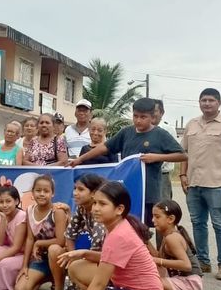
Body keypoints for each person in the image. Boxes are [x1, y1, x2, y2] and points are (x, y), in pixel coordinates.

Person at [62, 181, 162, 290]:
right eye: (95, 202)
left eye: (102, 204)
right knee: (76, 267)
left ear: (119, 209)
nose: (95, 208)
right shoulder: (118, 225)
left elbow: (99, 284)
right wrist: (84, 253)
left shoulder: (119, 235)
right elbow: (112, 258)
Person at [71, 98, 186, 228]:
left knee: (145, 228)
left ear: (152, 117)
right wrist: (80, 159)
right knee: (127, 226)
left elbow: (182, 155)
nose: (138, 120)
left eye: (143, 117)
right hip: (128, 190)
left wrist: (157, 157)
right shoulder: (126, 132)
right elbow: (105, 147)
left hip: (148, 193)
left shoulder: (160, 134)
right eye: (135, 116)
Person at [180, 88, 221, 280]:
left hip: (218, 184)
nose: (207, 103)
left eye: (211, 100)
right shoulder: (192, 124)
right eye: (203, 100)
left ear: (219, 103)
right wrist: (182, 174)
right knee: (198, 224)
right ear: (199, 102)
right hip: (193, 184)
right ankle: (203, 262)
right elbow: (184, 153)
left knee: (220, 224)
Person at [14, 175, 67, 290]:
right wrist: (25, 266)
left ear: (52, 193)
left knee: (54, 249)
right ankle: (49, 276)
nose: (42, 194)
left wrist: (39, 243)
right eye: (38, 190)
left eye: (46, 191)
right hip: (41, 259)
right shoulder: (29, 210)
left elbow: (61, 241)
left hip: (58, 257)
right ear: (32, 192)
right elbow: (30, 238)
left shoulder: (57, 212)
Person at [148, 200, 203, 290]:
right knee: (151, 278)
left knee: (149, 282)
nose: (153, 220)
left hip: (190, 285)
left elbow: (186, 265)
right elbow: (159, 257)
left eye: (157, 217)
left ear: (170, 219)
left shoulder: (173, 238)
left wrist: (156, 260)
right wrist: (146, 241)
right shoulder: (168, 235)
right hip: (186, 282)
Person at [54, 174, 107, 290]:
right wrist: (72, 256)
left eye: (81, 189)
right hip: (99, 258)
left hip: (110, 263)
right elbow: (69, 234)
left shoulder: (99, 213)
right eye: (75, 188)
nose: (75, 193)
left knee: (75, 268)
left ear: (94, 193)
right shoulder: (82, 208)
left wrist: (77, 262)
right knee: (56, 252)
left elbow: (97, 250)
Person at [153, 100, 177, 200]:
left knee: (163, 205)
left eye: (154, 111)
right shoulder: (142, 130)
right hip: (143, 175)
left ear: (162, 112)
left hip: (162, 175)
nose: (152, 113)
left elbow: (173, 152)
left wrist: (154, 163)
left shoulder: (168, 129)